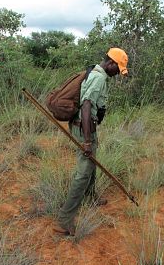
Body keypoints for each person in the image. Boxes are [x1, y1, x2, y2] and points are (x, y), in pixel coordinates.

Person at [53, 47, 128, 236]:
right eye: (117, 69)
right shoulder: (99, 78)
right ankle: (64, 220)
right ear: (110, 63)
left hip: (85, 126)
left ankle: (91, 195)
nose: (117, 73)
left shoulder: (94, 71)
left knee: (92, 160)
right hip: (83, 127)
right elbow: (86, 106)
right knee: (83, 172)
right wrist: (87, 140)